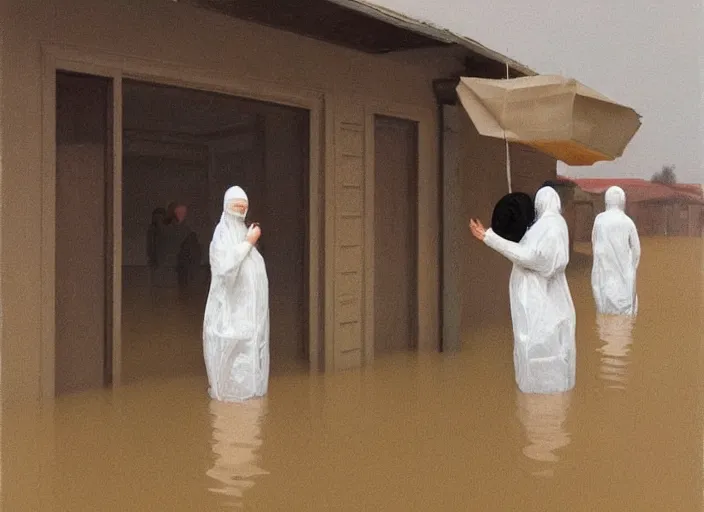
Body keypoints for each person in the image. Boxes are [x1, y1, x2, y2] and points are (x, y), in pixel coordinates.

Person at [469, 186, 576, 394]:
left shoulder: (551, 226)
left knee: (543, 379)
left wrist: (489, 238)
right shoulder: (547, 226)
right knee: (538, 371)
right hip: (543, 309)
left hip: (543, 313)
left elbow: (535, 258)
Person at [203, 186, 269, 401]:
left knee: (250, 367)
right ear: (226, 207)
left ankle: (251, 401)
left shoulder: (244, 232)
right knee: (231, 366)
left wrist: (249, 241)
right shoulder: (221, 237)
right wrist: (248, 243)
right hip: (229, 318)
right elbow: (225, 269)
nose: (240, 210)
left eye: (243, 207)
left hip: (251, 320)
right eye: (235, 206)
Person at [591, 186, 641, 316]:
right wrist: (630, 269)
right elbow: (637, 251)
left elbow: (594, 244)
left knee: (604, 321)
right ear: (622, 201)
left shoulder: (599, 220)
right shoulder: (628, 222)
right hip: (624, 280)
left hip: (604, 278)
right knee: (624, 327)